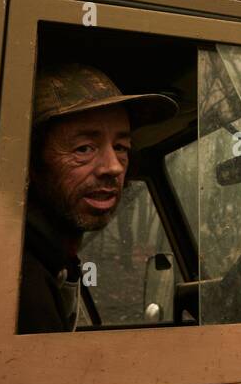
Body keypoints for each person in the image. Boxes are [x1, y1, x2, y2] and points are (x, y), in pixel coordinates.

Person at [18, 63, 177, 334]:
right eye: (84, 148)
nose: (113, 167)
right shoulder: (15, 281)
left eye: (121, 147)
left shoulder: (54, 263)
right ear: (30, 162)